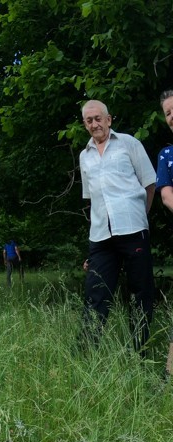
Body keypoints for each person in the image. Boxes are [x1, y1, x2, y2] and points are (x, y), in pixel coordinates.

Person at [78, 100, 156, 352]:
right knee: (95, 290)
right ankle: (86, 352)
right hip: (101, 236)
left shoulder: (129, 143)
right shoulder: (84, 156)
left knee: (140, 291)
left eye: (98, 118)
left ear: (109, 119)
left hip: (133, 228)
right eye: (89, 121)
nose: (94, 124)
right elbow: (91, 199)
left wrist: (140, 215)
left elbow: (149, 184)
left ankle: (140, 351)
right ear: (85, 124)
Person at [156, 90, 173, 374]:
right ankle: (170, 375)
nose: (172, 116)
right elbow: (167, 195)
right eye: (168, 113)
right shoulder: (167, 155)